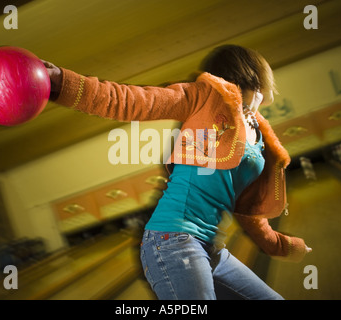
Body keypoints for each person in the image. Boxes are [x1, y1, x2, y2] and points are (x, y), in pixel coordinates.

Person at [43, 44, 312, 300]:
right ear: (251, 76)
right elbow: (129, 100)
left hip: (211, 248)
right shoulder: (204, 97)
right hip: (172, 241)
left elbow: (249, 210)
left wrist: (282, 244)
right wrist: (62, 82)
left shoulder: (259, 135)